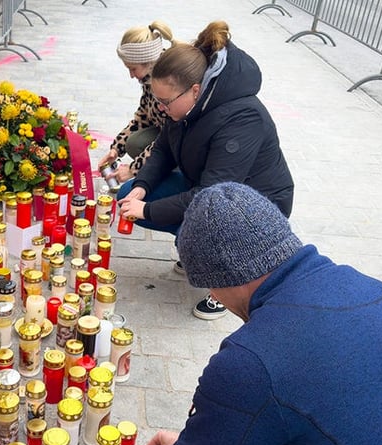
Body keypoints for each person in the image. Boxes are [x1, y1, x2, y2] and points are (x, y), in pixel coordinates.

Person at [142, 182, 382, 445]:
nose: (212, 295)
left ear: (219, 278)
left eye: (208, 286)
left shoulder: (250, 362)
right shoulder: (373, 289)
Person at [116, 21, 294, 320]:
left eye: (164, 102)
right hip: (209, 189)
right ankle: (195, 246)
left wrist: (147, 210)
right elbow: (163, 149)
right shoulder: (182, 104)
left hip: (256, 206)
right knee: (128, 194)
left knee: (177, 211)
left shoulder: (242, 117)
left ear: (195, 90)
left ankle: (231, 281)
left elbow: (213, 196)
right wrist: (142, 186)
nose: (159, 109)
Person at [97, 21, 173, 184]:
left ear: (148, 62)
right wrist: (116, 149)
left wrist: (134, 169)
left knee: (127, 190)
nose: (131, 75)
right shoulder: (149, 78)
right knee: (134, 143)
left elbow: (170, 138)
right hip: (167, 135)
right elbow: (142, 117)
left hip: (182, 144)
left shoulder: (168, 83)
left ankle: (173, 175)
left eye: (133, 68)